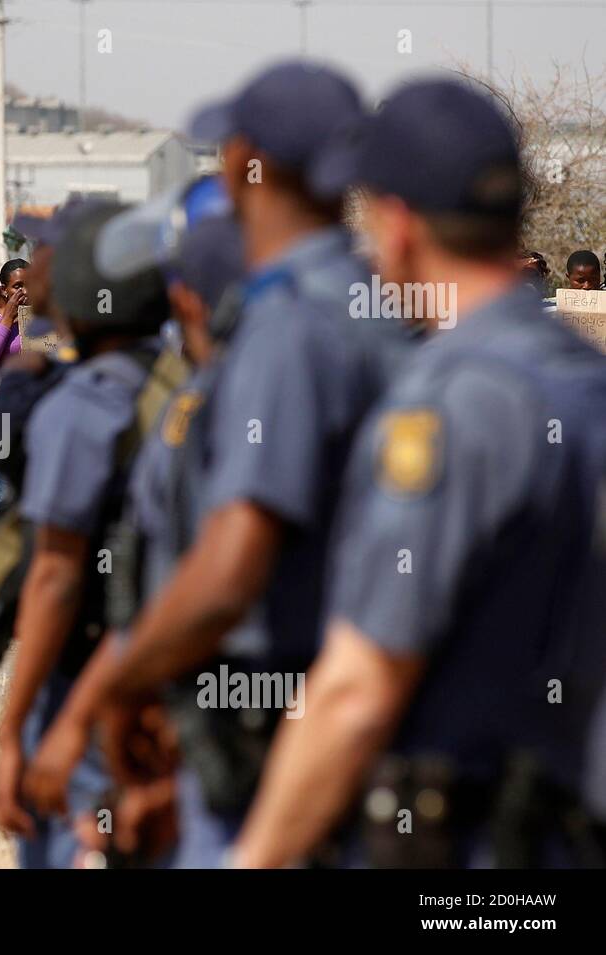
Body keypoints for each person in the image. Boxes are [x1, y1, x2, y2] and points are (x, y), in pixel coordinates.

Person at [21, 61, 412, 868]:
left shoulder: (284, 326)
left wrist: (120, 690)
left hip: (263, 744)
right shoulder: (373, 308)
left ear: (241, 162)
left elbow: (235, 560)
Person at [230, 78, 606, 870]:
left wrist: (254, 858)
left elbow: (359, 689)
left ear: (397, 225)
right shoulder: (580, 378)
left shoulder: (451, 404)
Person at [0, 202, 178, 868]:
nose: (31, 264)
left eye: (46, 254)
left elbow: (55, 571)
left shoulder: (81, 402)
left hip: (89, 671)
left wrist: (13, 733)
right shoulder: (176, 379)